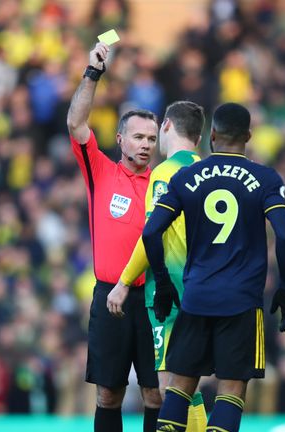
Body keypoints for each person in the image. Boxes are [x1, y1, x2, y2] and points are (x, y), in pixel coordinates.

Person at [143, 103, 285, 432]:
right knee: (231, 391)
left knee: (179, 388)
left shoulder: (185, 177)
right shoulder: (265, 178)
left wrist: (163, 282)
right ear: (249, 137)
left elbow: (150, 231)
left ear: (212, 136)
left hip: (196, 297)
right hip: (241, 301)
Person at [66, 41, 161, 432]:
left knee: (157, 395)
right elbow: (75, 123)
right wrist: (93, 73)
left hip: (155, 297)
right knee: (108, 394)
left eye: (152, 139)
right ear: (121, 140)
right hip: (110, 298)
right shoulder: (101, 172)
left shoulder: (165, 182)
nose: (145, 145)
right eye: (138, 137)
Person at [106, 100, 208, 431]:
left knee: (171, 387)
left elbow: (151, 236)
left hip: (171, 293)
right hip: (202, 290)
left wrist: (123, 281)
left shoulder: (164, 173)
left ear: (166, 127)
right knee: (186, 384)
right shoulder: (208, 172)